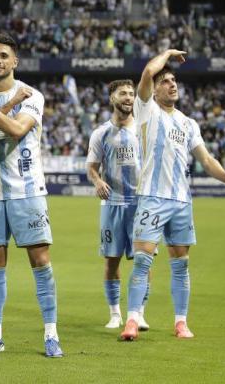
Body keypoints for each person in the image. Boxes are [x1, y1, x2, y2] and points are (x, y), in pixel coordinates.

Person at [120, 49, 225, 341]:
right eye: (166, 82)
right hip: (152, 197)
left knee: (181, 264)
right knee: (142, 261)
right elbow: (148, 73)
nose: (172, 84)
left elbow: (206, 159)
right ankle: (133, 320)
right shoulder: (146, 109)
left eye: (174, 81)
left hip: (181, 202)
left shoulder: (188, 124)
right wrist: (168, 54)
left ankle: (180, 322)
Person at [0, 33, 63, 358]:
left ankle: (51, 334)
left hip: (27, 191)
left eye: (4, 55)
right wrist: (1, 101)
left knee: (40, 260)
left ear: (14, 61)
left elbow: (17, 130)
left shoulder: (33, 96)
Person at [86, 79, 152, 331]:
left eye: (131, 94)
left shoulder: (144, 129)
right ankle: (115, 313)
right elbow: (91, 167)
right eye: (122, 93)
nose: (128, 97)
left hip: (140, 204)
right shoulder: (100, 133)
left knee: (143, 261)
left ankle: (139, 312)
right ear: (112, 97)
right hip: (112, 204)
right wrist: (97, 181)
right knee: (111, 260)